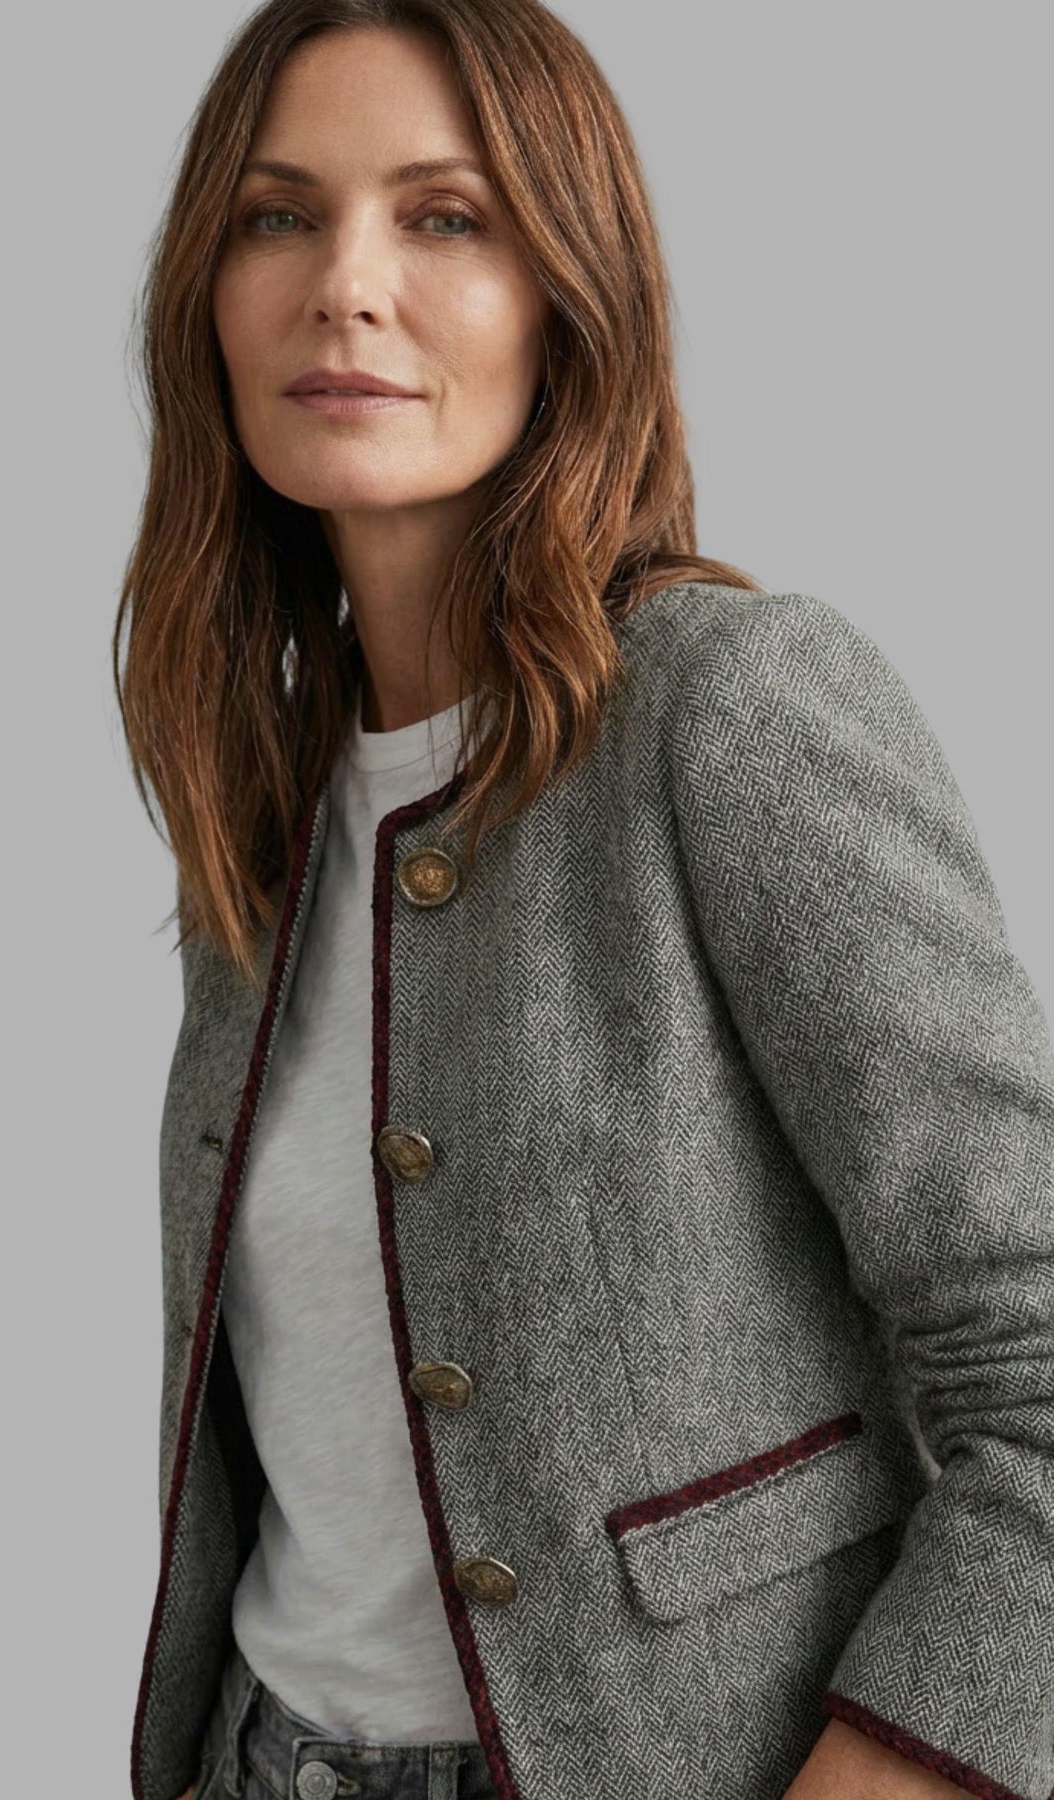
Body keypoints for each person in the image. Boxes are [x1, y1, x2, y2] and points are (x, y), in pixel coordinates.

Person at [113, 3, 1054, 1799]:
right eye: (277, 216)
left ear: (570, 291)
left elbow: (1038, 1353)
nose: (345, 287)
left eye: (445, 216)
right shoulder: (264, 812)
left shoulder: (730, 711)